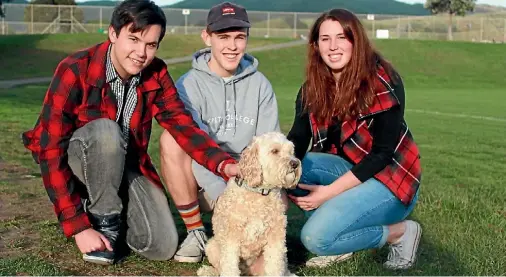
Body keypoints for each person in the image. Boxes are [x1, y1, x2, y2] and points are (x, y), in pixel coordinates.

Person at [21, 0, 238, 265]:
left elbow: (183, 126)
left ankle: (113, 213)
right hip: (79, 163)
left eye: (151, 45)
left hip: (126, 166)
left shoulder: (156, 73)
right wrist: (77, 226)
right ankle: (103, 222)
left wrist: (224, 165)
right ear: (113, 34)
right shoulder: (75, 68)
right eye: (133, 39)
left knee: (162, 245)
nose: (141, 53)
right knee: (106, 131)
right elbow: (50, 149)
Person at [286, 8, 422, 270]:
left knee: (314, 238)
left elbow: (382, 154)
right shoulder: (312, 88)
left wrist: (327, 194)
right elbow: (298, 140)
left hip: (390, 180)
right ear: (315, 45)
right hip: (348, 172)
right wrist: (269, 166)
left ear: (355, 41)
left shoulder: (382, 81)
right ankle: (341, 238)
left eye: (342, 37)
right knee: (295, 167)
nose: (333, 46)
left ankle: (400, 232)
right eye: (325, 39)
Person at [158, 2, 280, 263]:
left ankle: (254, 239)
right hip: (207, 183)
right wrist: (224, 195)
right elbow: (196, 148)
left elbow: (269, 147)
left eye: (239, 38)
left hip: (250, 180)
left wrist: (249, 192)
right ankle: (196, 232)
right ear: (207, 37)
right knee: (171, 139)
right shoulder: (189, 85)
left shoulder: (260, 85)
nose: (232, 46)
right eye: (223, 37)